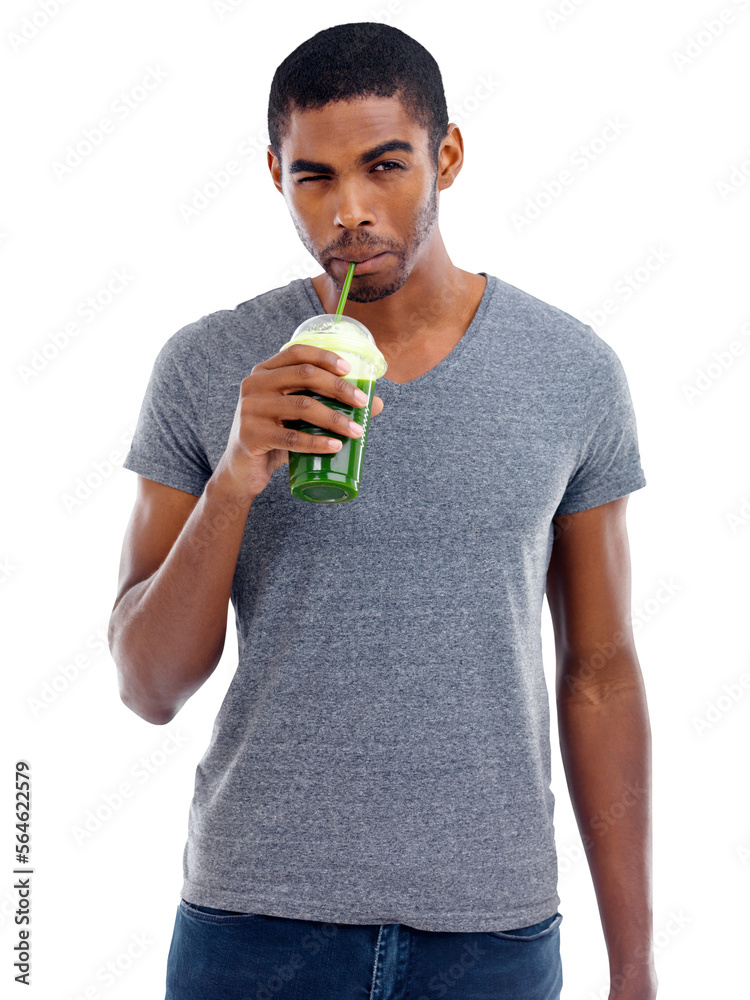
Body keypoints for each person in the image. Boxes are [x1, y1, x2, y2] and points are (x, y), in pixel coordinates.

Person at [108, 21, 657, 1000]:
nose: (351, 209)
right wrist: (237, 472)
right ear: (276, 177)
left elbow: (601, 674)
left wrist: (635, 963)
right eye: (314, 176)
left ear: (446, 154)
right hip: (253, 927)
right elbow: (147, 686)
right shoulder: (205, 365)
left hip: (491, 937)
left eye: (386, 165)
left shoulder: (572, 372)